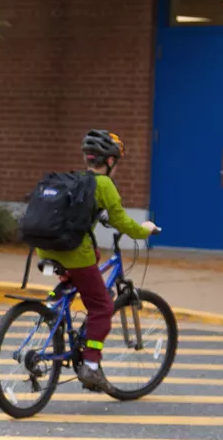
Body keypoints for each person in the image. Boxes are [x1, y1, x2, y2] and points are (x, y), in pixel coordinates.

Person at [35, 130, 158, 394]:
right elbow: (122, 222)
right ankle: (91, 364)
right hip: (74, 253)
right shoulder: (104, 185)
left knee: (92, 257)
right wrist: (144, 229)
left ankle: (62, 292)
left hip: (45, 249)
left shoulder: (74, 179)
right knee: (102, 306)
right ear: (111, 161)